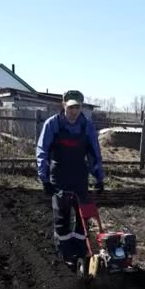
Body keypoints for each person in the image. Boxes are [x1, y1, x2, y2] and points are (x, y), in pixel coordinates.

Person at [36, 90, 104, 268]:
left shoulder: (86, 126)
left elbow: (93, 154)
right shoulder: (53, 124)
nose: (74, 111)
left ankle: (81, 249)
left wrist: (99, 177)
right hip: (59, 175)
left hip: (79, 175)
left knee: (84, 214)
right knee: (62, 215)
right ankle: (65, 251)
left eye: (78, 107)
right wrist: (44, 180)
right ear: (64, 105)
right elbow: (42, 152)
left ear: (81, 107)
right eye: (71, 106)